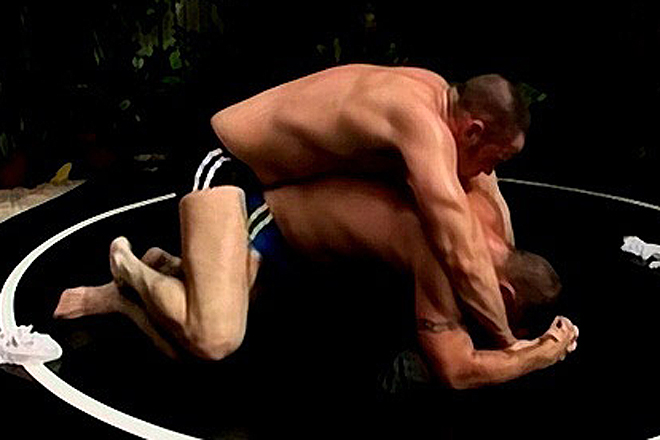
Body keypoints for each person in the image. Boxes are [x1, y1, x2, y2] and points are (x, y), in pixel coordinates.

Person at [53, 171, 578, 388]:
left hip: (316, 260)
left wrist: (518, 340)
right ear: (503, 292)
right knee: (205, 343)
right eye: (504, 313)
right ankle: (131, 271)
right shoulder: (446, 253)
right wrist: (536, 354)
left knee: (213, 336)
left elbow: (486, 177)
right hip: (275, 222)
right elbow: (456, 371)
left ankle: (154, 279)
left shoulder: (494, 222)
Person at [209, 64, 528, 347]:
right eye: (496, 158)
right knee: (212, 333)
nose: (488, 170)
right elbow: (460, 250)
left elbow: (489, 188)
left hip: (273, 186)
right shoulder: (423, 125)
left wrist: (512, 261)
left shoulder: (438, 92)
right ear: (473, 131)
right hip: (226, 162)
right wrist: (507, 338)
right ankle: (174, 274)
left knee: (243, 296)